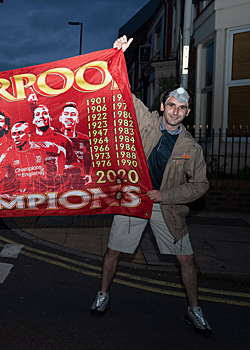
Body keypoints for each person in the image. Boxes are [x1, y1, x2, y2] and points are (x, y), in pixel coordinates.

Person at [90, 36, 212, 337]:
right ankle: (103, 294)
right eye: (171, 105)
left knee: (187, 259)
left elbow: (200, 185)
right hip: (134, 198)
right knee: (113, 251)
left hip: (166, 208)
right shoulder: (145, 121)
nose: (175, 111)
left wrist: (166, 195)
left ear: (187, 113)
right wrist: (118, 55)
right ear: (163, 105)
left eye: (181, 108)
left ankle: (194, 309)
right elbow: (123, 93)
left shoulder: (191, 148)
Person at [0, 121, 66, 196]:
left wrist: (59, 173)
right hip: (23, 196)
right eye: (14, 134)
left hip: (43, 193)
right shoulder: (7, 155)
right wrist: (9, 191)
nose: (16, 136)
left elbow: (62, 151)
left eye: (20, 133)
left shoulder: (43, 147)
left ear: (29, 134)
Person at [31, 104, 78, 190]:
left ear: (50, 118)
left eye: (44, 113)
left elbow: (76, 165)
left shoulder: (63, 140)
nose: (41, 116)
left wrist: (61, 168)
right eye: (37, 115)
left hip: (60, 188)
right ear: (33, 120)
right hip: (37, 189)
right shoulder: (29, 140)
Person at [58, 101, 92, 188]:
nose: (69, 117)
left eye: (73, 114)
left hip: (78, 180)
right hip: (59, 180)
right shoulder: (55, 136)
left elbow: (87, 158)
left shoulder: (84, 139)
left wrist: (88, 173)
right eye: (66, 114)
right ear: (60, 118)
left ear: (77, 120)